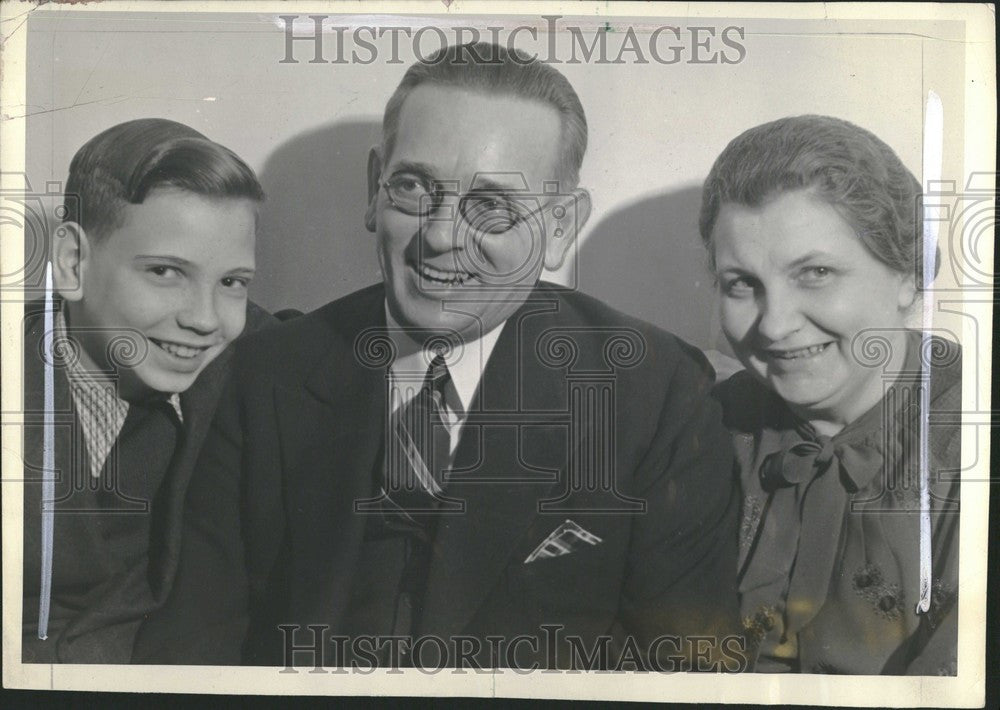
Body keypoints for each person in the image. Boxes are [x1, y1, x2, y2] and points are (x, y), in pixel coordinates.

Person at [134, 42, 741, 670]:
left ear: (560, 227)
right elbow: (192, 649)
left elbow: (685, 670)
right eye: (415, 188)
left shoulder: (654, 391)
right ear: (375, 190)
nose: (444, 236)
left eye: (494, 207)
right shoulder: (265, 376)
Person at [702, 115, 961, 674]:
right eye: (741, 284)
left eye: (815, 272)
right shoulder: (699, 426)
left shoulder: (975, 442)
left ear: (908, 276)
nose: (775, 325)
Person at [21, 118, 274, 663]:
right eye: (165, 271)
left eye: (232, 282)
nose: (205, 320)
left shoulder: (258, 363)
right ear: (72, 262)